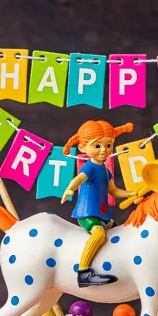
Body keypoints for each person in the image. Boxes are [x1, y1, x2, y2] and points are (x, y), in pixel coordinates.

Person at [61, 120, 136, 287]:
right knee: (99, 235)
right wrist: (69, 189)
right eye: (97, 146)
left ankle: (120, 265)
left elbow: (114, 191)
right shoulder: (89, 167)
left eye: (108, 145)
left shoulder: (105, 170)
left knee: (120, 233)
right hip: (88, 214)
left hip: (103, 214)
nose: (104, 150)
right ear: (82, 148)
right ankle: (84, 273)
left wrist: (131, 193)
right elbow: (80, 178)